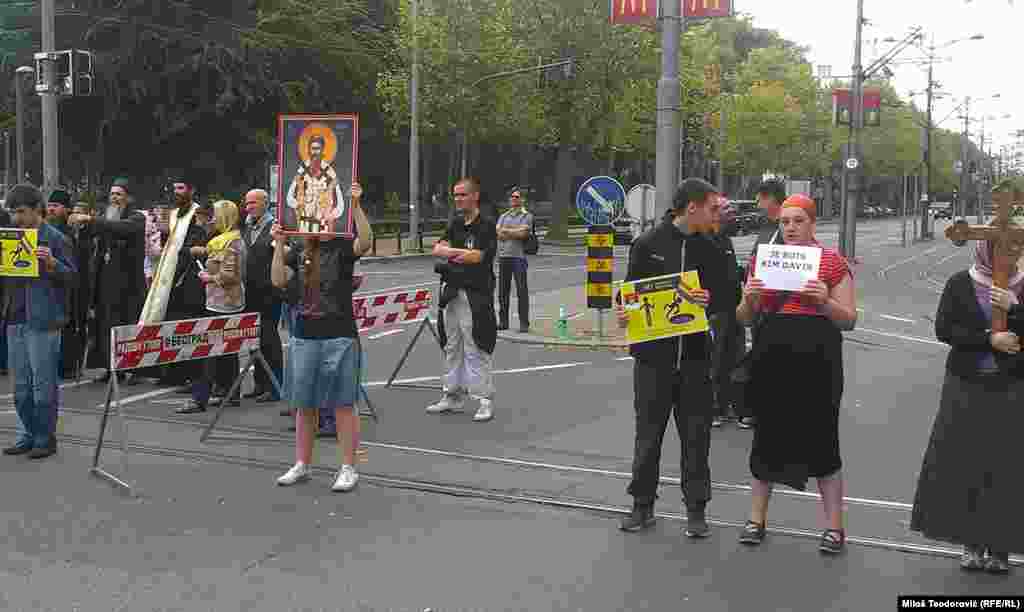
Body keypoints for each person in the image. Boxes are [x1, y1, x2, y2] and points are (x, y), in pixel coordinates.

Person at [735, 193, 857, 554]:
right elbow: (743, 317)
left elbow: (849, 319)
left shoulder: (832, 263)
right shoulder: (763, 259)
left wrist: (824, 300)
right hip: (773, 356)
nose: (790, 227)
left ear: (812, 224)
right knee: (766, 438)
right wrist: (749, 298)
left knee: (823, 440)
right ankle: (756, 519)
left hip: (818, 360)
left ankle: (834, 528)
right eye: (785, 221)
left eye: (798, 221)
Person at [614, 177, 723, 537]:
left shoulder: (712, 248)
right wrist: (624, 310)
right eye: (711, 206)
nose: (715, 213)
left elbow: (725, 299)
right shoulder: (647, 244)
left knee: (696, 437)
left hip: (694, 360)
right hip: (652, 361)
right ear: (691, 207)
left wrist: (710, 302)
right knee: (648, 436)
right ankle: (641, 506)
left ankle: (696, 510)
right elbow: (629, 294)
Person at [910, 239, 1024, 574]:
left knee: (1007, 467)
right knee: (967, 462)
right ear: (986, 250)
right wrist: (988, 338)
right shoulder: (960, 282)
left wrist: (1015, 307)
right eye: (1002, 249)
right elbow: (945, 329)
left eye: (1015, 248)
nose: (1009, 255)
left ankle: (1001, 547)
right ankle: (971, 544)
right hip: (966, 385)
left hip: (1013, 386)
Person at [271, 181, 372, 491]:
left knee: (343, 404)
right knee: (304, 404)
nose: (317, 216)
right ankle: (302, 463)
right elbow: (277, 280)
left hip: (340, 333)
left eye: (322, 209)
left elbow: (365, 242)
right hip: (304, 334)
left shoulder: (343, 243)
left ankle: (348, 467)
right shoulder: (301, 247)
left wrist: (356, 206)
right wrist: (278, 245)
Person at [1, 184, 76, 459]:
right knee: (20, 387)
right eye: (12, 212)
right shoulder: (11, 237)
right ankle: (28, 434)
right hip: (15, 317)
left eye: (21, 212)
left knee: (43, 385)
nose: (16, 218)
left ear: (37, 210)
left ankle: (44, 438)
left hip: (43, 319)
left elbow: (73, 278)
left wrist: (54, 264)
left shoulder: (55, 238)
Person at [426, 178, 498, 423]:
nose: (458, 199)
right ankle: (452, 395)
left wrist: (453, 254)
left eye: (463, 195)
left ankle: (484, 399)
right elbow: (437, 249)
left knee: (476, 345)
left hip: (475, 294)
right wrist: (459, 254)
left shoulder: (486, 226)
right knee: (451, 345)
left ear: (475, 196)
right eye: (455, 195)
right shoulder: (455, 223)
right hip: (452, 292)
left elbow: (478, 257)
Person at [68, 178, 147, 383]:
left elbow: (122, 228)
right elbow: (90, 236)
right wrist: (81, 226)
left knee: (127, 326)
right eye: (112, 194)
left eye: (119, 194)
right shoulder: (105, 217)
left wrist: (92, 221)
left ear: (128, 197)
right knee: (105, 326)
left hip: (127, 284)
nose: (114, 198)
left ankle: (132, 369)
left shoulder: (137, 217)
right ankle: (111, 367)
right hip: (105, 282)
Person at [138, 178, 207, 386]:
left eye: (181, 188)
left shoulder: (197, 213)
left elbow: (195, 244)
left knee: (186, 325)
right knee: (169, 324)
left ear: (191, 190)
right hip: (167, 274)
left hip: (186, 278)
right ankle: (170, 373)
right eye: (175, 188)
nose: (176, 192)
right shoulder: (174, 213)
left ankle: (188, 375)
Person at [179, 201, 245, 414]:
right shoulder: (224, 241)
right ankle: (230, 393)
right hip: (226, 302)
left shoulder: (230, 243)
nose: (213, 219)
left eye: (216, 215)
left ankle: (200, 399)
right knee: (229, 350)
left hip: (222, 303)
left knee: (207, 352)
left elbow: (230, 275)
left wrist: (209, 277)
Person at [735, 179, 788, 429]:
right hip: (759, 305)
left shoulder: (784, 228)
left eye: (759, 198)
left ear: (770, 198)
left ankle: (767, 410)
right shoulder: (768, 228)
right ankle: (760, 408)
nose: (757, 204)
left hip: (775, 308)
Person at [705, 195, 745, 428]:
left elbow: (732, 272)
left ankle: (727, 405)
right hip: (715, 313)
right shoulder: (704, 241)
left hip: (734, 312)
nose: (732, 210)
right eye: (726, 207)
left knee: (733, 360)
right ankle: (712, 409)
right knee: (715, 362)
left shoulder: (726, 240)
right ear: (714, 212)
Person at [241, 189, 283, 402]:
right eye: (247, 203)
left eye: (253, 203)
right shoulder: (247, 226)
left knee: (269, 339)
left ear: (265, 203)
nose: (248, 207)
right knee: (253, 339)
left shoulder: (275, 226)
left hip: (269, 293)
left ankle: (275, 387)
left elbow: (281, 254)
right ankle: (259, 383)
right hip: (249, 292)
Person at [286, 135, 345, 233]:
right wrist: (299, 206)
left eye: (317, 149)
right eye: (313, 149)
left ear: (322, 150)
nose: (315, 152)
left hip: (323, 228)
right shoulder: (302, 171)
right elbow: (289, 198)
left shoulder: (330, 173)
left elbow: (340, 205)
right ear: (309, 150)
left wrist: (330, 215)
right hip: (304, 226)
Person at [496, 187, 533, 333]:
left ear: (522, 200)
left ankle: (524, 323)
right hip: (504, 256)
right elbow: (498, 233)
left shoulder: (527, 216)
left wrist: (507, 231)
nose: (513, 199)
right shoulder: (504, 215)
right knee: (502, 292)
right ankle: (503, 322)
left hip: (519, 257)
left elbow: (523, 233)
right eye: (512, 197)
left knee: (521, 291)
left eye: (517, 197)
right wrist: (513, 232)